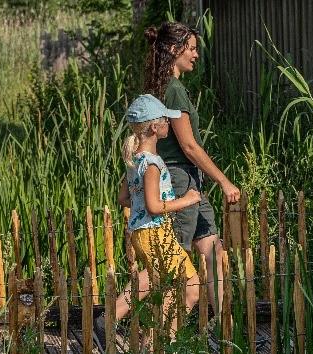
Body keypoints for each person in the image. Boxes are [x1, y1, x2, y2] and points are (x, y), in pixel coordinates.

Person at [94, 95, 202, 348]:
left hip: (141, 233)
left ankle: (109, 320)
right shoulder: (152, 163)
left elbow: (124, 197)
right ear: (155, 127)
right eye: (165, 119)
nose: (169, 123)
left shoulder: (135, 159)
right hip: (155, 232)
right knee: (191, 286)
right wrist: (186, 200)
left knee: (154, 278)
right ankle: (158, 344)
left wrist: (147, 204)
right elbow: (154, 207)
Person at [145, 22, 239, 312]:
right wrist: (224, 181)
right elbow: (189, 146)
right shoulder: (173, 90)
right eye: (192, 48)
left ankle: (225, 332)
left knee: (213, 251)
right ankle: (150, 333)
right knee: (173, 261)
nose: (197, 55)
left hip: (191, 181)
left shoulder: (169, 87)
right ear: (175, 49)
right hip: (180, 180)